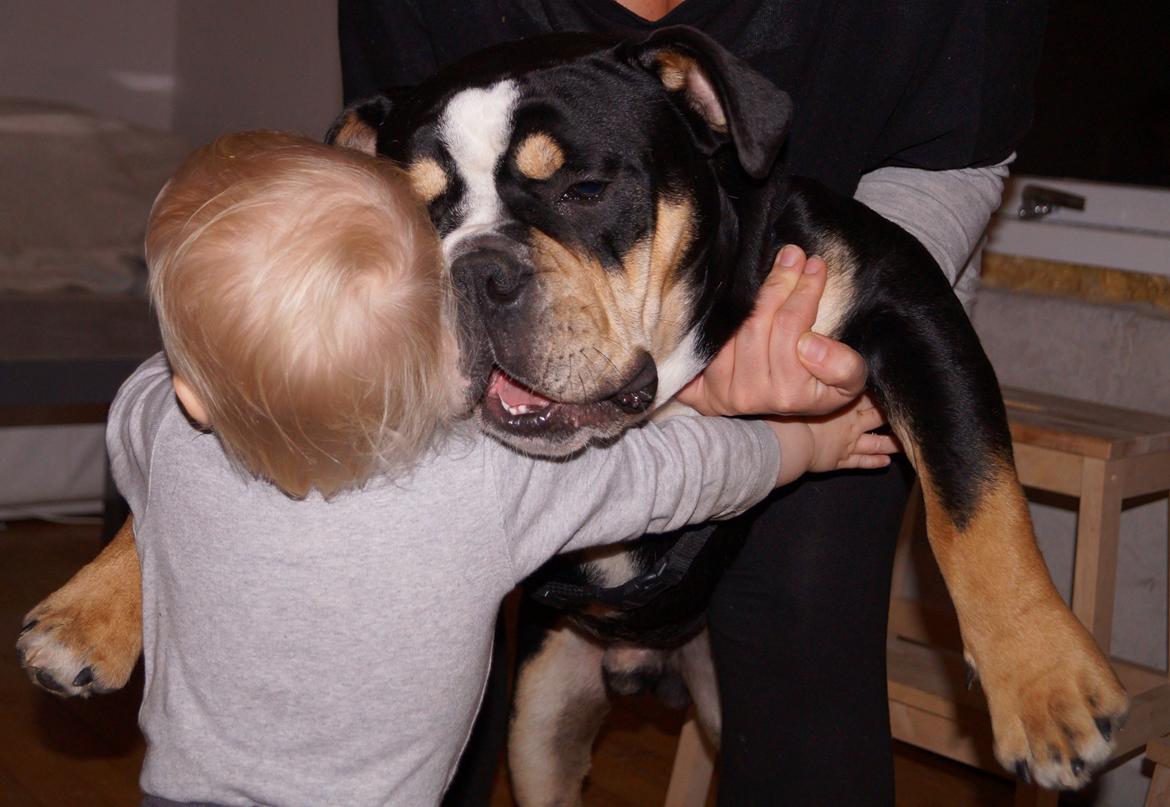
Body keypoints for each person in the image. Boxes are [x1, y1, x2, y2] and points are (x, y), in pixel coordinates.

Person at [337, 1, 1046, 803]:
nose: (490, 276)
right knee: (447, 707)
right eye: (434, 213)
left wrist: (804, 332)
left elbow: (945, 165)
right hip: (557, 575)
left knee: (808, 664)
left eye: (582, 190)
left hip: (765, 327)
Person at [122, 129, 896, 806]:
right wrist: (803, 448)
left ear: (190, 389)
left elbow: (153, 385)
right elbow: (680, 471)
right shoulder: (482, 482)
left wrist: (204, 342)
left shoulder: (160, 430)